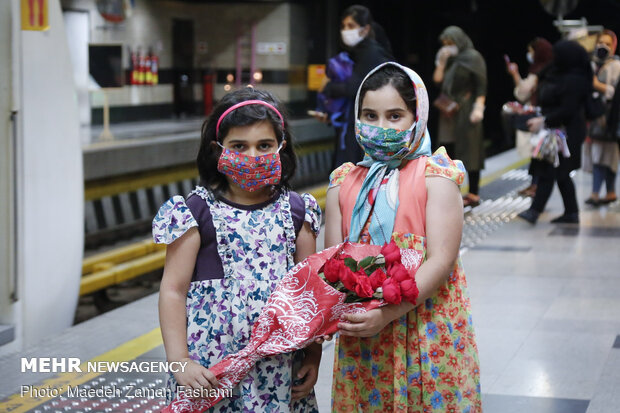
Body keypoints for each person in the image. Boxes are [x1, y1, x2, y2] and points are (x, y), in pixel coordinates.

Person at [323, 62, 481, 412]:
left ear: (417, 116)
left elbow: (441, 259)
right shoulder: (343, 183)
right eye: (370, 115)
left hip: (424, 326)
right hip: (364, 335)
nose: (380, 127)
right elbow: (333, 261)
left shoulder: (435, 177)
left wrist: (387, 313)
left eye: (394, 116)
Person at [153, 88, 322, 411]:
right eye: (239, 147)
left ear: (280, 147)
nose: (252, 156)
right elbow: (173, 290)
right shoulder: (195, 211)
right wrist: (179, 362)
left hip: (279, 369)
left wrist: (312, 355)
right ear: (218, 150)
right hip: (211, 371)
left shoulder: (298, 211)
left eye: (264, 146)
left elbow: (308, 296)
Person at [518, 40, 592, 224]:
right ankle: (558, 212)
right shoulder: (557, 73)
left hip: (567, 133)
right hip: (554, 131)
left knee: (557, 172)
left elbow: (568, 109)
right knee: (551, 171)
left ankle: (543, 211)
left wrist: (543, 120)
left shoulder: (575, 80)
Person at [320, 4, 392, 168]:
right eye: (343, 26)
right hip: (355, 123)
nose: (346, 30)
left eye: (351, 26)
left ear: (365, 29)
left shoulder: (370, 53)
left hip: (364, 125)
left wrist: (329, 87)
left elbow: (355, 87)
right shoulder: (358, 52)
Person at [433, 26, 487, 207]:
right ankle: (450, 190)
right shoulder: (448, 59)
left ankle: (473, 194)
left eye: (451, 43)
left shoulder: (473, 57)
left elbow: (481, 85)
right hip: (448, 109)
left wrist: (478, 107)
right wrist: (441, 62)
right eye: (445, 44)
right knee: (447, 149)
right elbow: (437, 81)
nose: (448, 47)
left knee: (470, 149)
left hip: (467, 109)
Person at [506, 37, 553, 197]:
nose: (529, 54)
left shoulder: (539, 72)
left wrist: (514, 74)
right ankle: (534, 184)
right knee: (537, 155)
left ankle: (537, 186)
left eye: (532, 51)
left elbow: (522, 93)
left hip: (541, 119)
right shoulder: (548, 69)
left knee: (539, 154)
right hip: (544, 117)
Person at [583, 29, 620, 206]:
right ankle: (600, 193)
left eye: (607, 43)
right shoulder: (592, 65)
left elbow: (614, 92)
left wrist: (598, 85)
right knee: (597, 155)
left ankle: (605, 192)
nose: (603, 46)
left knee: (609, 156)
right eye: (600, 42)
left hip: (610, 118)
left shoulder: (615, 66)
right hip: (594, 119)